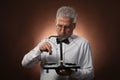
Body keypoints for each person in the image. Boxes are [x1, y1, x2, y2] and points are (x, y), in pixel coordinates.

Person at [22, 6, 94, 80]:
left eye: (67, 27)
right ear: (55, 22)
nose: (62, 31)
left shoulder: (83, 44)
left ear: (74, 26)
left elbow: (90, 75)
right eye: (59, 26)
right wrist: (38, 50)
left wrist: (72, 73)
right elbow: (25, 64)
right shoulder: (45, 42)